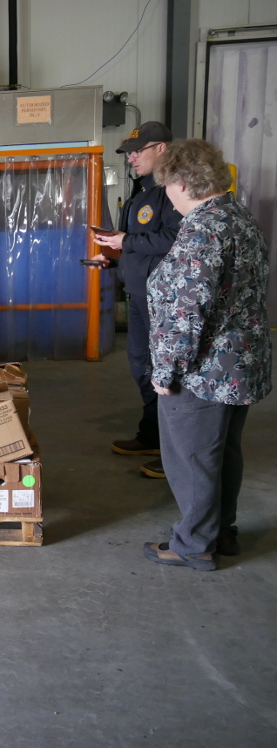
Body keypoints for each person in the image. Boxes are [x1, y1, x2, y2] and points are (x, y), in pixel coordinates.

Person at [141, 139, 272, 570]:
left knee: (192, 459)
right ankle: (221, 533)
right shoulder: (238, 217)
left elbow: (187, 310)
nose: (168, 196)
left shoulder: (203, 229)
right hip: (238, 364)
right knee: (222, 453)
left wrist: (166, 370)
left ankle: (194, 545)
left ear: (181, 182)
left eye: (167, 186)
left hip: (203, 370)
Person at [93, 122, 183, 479]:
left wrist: (125, 242)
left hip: (162, 297)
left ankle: (174, 452)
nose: (131, 157)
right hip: (140, 292)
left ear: (161, 148)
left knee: (164, 372)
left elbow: (175, 239)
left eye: (137, 151)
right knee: (142, 366)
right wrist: (115, 258)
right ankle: (152, 435)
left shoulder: (173, 190)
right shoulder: (142, 190)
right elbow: (142, 244)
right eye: (129, 152)